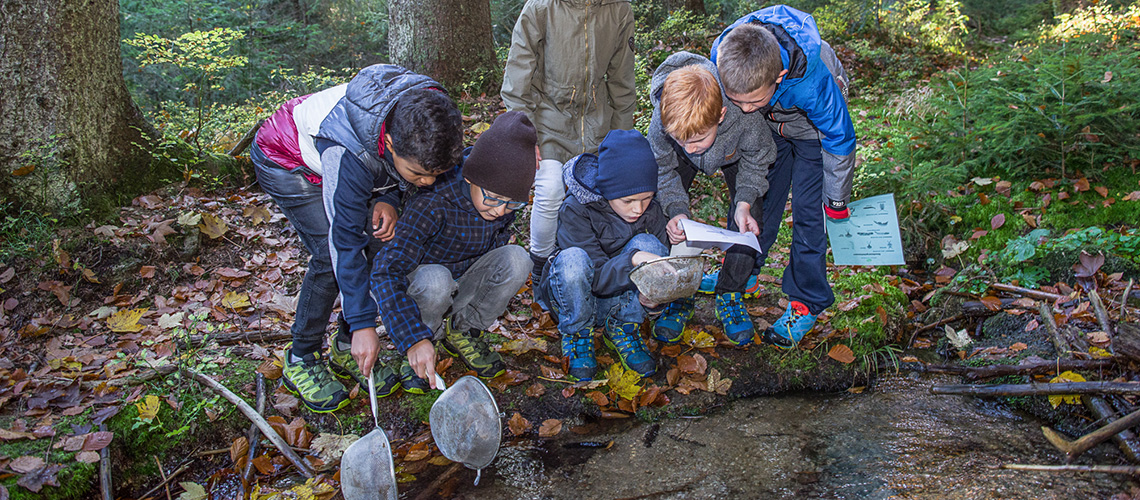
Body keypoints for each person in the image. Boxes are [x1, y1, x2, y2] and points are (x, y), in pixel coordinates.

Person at [250, 64, 463, 412]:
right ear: (391, 143)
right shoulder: (347, 154)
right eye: (419, 174)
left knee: (380, 238)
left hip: (366, 156)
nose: (427, 183)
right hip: (287, 159)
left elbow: (398, 170)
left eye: (436, 174)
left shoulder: (432, 115)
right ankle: (301, 356)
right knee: (326, 256)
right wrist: (367, 323)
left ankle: (348, 345)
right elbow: (344, 240)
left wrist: (390, 197)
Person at [712, 4, 856, 349]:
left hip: (812, 132)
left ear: (778, 78)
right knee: (759, 201)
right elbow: (737, 109)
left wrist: (836, 200)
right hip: (769, 127)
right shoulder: (725, 54)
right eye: (738, 101)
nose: (744, 108)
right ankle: (745, 270)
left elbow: (839, 137)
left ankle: (806, 300)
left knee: (808, 214)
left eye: (752, 101)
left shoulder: (813, 81)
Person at [371, 112, 537, 391]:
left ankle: (463, 329)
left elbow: (495, 246)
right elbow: (386, 270)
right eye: (493, 199)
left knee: (518, 259)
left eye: (511, 204)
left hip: (464, 280)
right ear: (472, 178)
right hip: (425, 285)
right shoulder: (433, 202)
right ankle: (422, 343)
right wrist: (412, 337)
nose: (499, 210)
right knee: (436, 281)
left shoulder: (501, 206)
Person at [500, 0, 637, 292]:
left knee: (603, 194)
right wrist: (523, 133)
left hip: (598, 123)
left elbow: (622, 79)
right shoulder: (540, 8)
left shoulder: (618, 10)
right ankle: (541, 264)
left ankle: (597, 270)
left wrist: (622, 138)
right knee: (550, 190)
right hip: (547, 121)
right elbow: (517, 78)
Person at [646, 51, 775, 347]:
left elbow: (758, 159)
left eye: (696, 140)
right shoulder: (664, 121)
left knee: (750, 216)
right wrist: (676, 210)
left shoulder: (744, 115)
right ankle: (679, 293)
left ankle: (731, 290)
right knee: (667, 216)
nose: (690, 148)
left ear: (720, 115)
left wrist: (743, 202)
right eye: (681, 140)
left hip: (736, 157)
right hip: (677, 160)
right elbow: (662, 169)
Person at [538, 129, 671, 380]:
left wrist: (655, 299)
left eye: (646, 198)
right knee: (572, 260)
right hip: (575, 297)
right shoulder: (576, 209)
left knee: (649, 244)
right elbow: (595, 279)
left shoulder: (650, 211)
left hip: (619, 301)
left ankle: (623, 328)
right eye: (629, 200)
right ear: (608, 190)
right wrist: (633, 259)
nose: (638, 208)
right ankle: (577, 334)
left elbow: (659, 264)